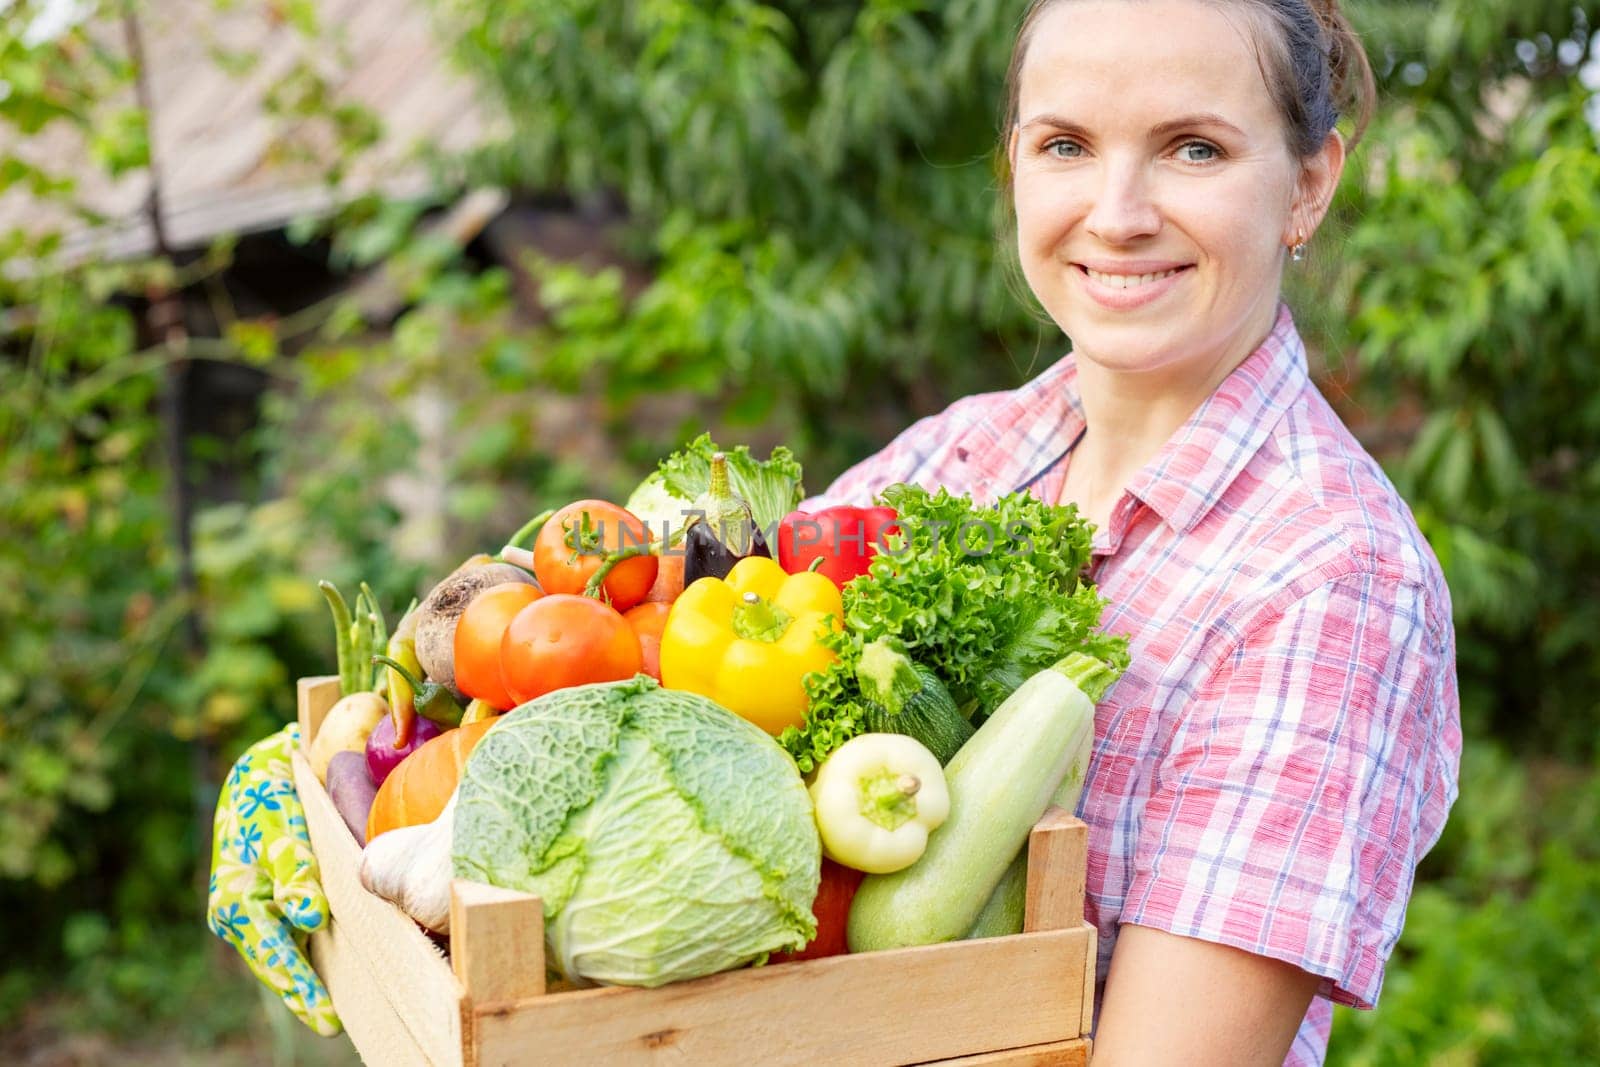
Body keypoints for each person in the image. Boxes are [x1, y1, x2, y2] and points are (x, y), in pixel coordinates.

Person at [208, 1, 1461, 1063]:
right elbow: (646, 664)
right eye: (1067, 143)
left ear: (1307, 182)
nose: (1117, 211)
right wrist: (364, 758)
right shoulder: (966, 454)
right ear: (1015, 166)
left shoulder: (1330, 577)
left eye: (1192, 149)